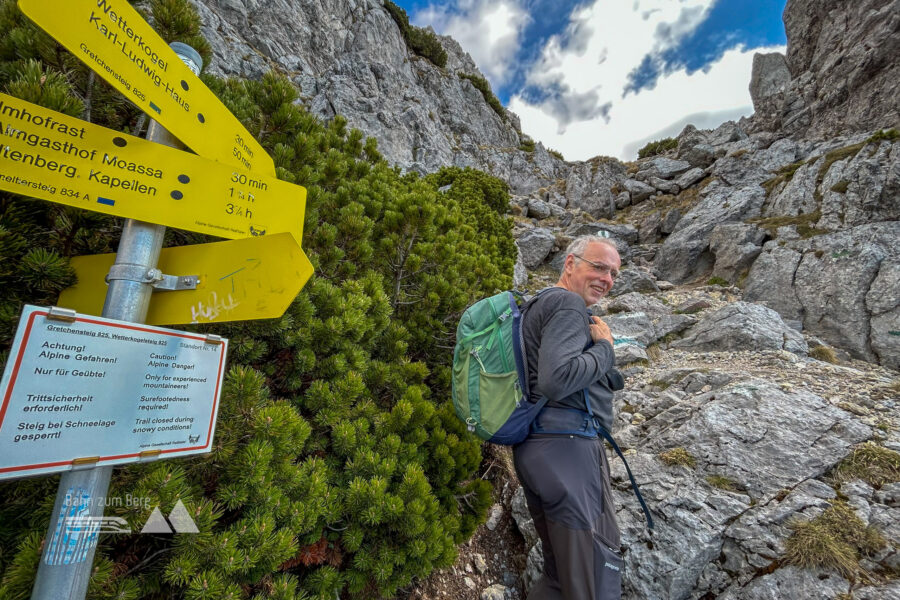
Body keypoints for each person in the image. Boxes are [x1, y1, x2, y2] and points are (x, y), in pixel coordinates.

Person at [513, 234, 626, 600]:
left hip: (542, 448)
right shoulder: (565, 304)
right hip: (568, 450)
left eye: (613, 273)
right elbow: (556, 379)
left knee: (561, 577)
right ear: (570, 264)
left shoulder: (540, 303)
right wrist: (606, 349)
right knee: (590, 578)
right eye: (598, 266)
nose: (606, 279)